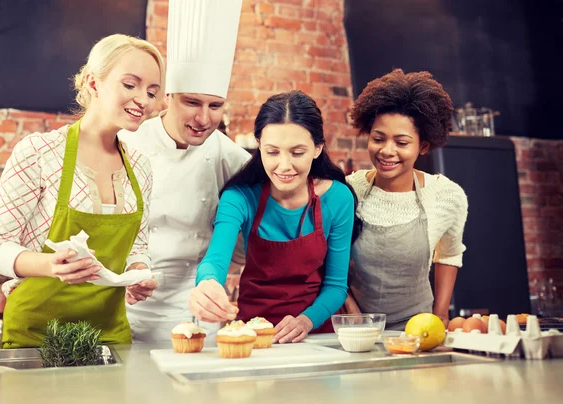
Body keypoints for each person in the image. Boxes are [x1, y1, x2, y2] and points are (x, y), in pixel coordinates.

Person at [0, 34, 163, 348]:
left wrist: (137, 272)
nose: (143, 100)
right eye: (130, 85)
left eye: (151, 91)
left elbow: (137, 247)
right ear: (93, 83)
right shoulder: (40, 152)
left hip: (108, 334)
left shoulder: (140, 167)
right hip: (37, 335)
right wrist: (50, 265)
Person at [119, 0, 251, 343]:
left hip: (195, 313)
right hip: (124, 306)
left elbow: (243, 239)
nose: (203, 119)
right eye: (192, 102)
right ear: (168, 97)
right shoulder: (127, 143)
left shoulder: (232, 158)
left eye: (215, 106)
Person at [190, 90, 362, 344]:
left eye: (297, 152)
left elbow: (336, 286)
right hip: (254, 336)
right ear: (259, 145)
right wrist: (207, 283)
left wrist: (305, 321)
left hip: (318, 335)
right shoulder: (239, 197)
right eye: (272, 152)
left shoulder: (338, 198)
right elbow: (214, 261)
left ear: (317, 148)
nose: (283, 166)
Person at [345, 69, 469, 330]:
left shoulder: (446, 196)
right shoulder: (348, 190)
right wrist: (352, 314)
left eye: (401, 143)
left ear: (423, 146)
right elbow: (327, 261)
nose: (387, 151)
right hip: (357, 330)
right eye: (378, 139)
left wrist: (440, 316)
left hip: (418, 330)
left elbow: (448, 254)